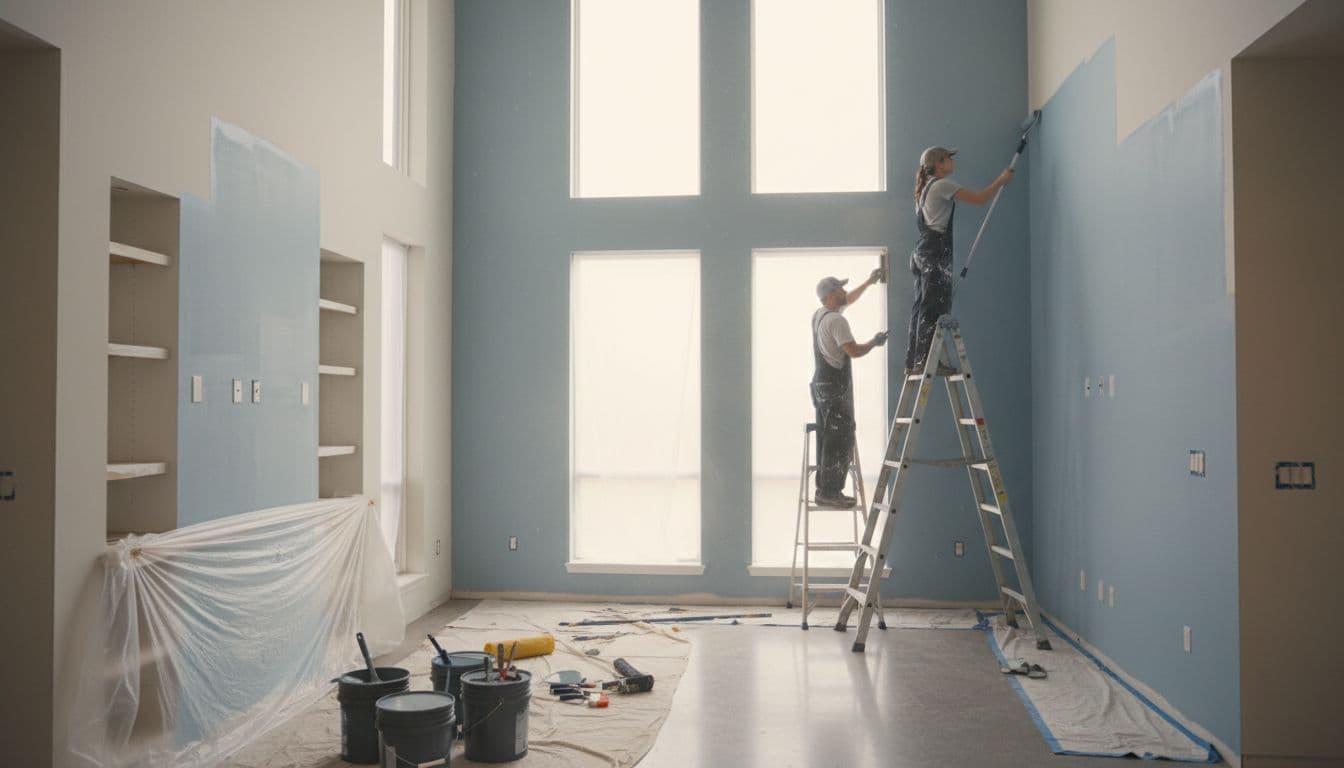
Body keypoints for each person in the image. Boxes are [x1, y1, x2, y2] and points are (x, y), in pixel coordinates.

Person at [904, 146, 1015, 375]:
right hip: (934, 253)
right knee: (932, 308)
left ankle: (915, 360)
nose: (953, 162)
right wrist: (1001, 180)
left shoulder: (924, 188)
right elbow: (980, 199)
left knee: (921, 307)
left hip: (920, 253)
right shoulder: (943, 185)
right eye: (949, 159)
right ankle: (925, 362)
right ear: (939, 163)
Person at [811, 270, 887, 508]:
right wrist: (875, 343)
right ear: (831, 295)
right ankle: (831, 493)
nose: (845, 292)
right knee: (841, 437)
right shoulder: (837, 321)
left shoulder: (821, 315)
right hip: (834, 386)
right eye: (840, 289)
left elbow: (848, 300)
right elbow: (853, 352)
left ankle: (824, 489)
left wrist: (869, 282)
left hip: (821, 385)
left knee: (828, 436)